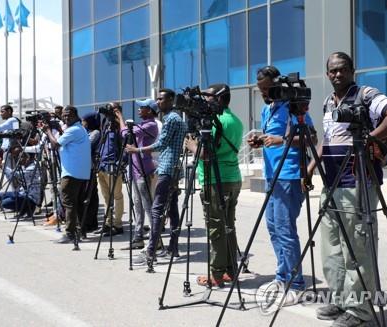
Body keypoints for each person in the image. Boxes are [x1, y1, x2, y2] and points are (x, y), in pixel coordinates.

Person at [308, 52, 387, 327]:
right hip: (331, 182)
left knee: (357, 247)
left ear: (352, 70)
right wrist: (310, 168)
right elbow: (327, 140)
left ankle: (361, 310)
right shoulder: (329, 102)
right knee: (332, 247)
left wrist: (368, 139)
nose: (337, 75)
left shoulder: (366, 94)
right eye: (332, 71)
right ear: (327, 74)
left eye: (342, 70)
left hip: (357, 182)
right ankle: (341, 300)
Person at [247, 66, 316, 304]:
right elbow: (271, 140)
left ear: (277, 85)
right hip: (271, 176)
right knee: (274, 228)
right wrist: (260, 141)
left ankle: (296, 284)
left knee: (286, 231)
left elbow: (313, 138)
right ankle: (282, 276)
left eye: (268, 89)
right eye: (261, 90)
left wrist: (281, 139)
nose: (264, 93)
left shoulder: (292, 107)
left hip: (289, 176)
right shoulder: (269, 109)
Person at [184, 84, 243, 287]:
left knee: (216, 227)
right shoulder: (234, 119)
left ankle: (217, 274)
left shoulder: (218, 122)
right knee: (228, 225)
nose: (204, 100)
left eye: (207, 96)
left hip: (216, 180)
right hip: (232, 177)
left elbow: (206, 154)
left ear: (218, 98)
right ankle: (230, 269)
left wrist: (191, 145)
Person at [127, 88, 187, 265]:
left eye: (161, 99)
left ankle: (151, 251)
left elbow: (161, 144)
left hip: (168, 168)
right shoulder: (175, 119)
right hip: (173, 168)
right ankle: (173, 247)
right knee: (173, 209)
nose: (158, 102)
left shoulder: (171, 119)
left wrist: (136, 149)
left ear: (170, 100)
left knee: (156, 209)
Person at [43, 106, 91, 244]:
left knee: (68, 203)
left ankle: (70, 233)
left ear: (76, 115)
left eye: (68, 115)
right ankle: (81, 231)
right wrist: (57, 129)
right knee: (77, 203)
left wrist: (47, 131)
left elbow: (55, 144)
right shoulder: (78, 129)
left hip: (71, 173)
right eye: (63, 115)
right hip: (79, 172)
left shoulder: (74, 130)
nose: (65, 117)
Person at [116, 99, 159, 249]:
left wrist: (120, 117)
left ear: (150, 110)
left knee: (147, 206)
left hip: (143, 170)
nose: (139, 110)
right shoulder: (142, 124)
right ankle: (138, 238)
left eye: (142, 107)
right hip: (135, 169)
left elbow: (125, 133)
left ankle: (156, 241)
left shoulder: (151, 125)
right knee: (137, 206)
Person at [94, 102, 124, 236]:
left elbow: (125, 145)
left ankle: (118, 225)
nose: (108, 111)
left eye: (111, 109)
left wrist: (121, 163)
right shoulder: (106, 123)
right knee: (106, 197)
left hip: (113, 165)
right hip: (102, 165)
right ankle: (108, 223)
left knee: (117, 196)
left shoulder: (120, 126)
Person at [0, 149, 41, 218]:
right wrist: (3, 169)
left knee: (4, 203)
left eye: (21, 157)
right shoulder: (24, 166)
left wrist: (4, 167)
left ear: (28, 158)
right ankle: (23, 209)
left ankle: (29, 208)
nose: (19, 159)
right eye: (19, 157)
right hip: (21, 193)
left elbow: (15, 174)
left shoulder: (33, 168)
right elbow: (11, 176)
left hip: (30, 197)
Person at [80, 112, 101, 233]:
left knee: (89, 196)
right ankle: (90, 222)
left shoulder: (95, 133)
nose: (82, 123)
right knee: (89, 196)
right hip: (85, 167)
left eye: (84, 121)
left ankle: (89, 222)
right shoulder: (87, 133)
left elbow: (86, 146)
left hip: (90, 168)